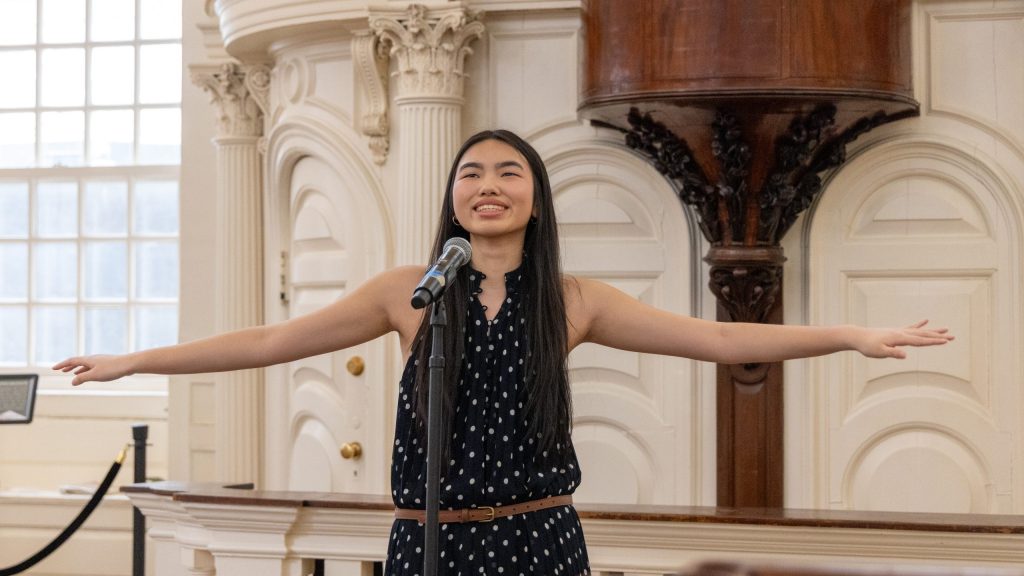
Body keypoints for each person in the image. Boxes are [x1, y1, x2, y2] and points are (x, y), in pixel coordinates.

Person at [54, 129, 953, 575]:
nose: (488, 186)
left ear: (535, 198)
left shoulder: (574, 302)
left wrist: (847, 333)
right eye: (471, 174)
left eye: (508, 173)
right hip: (427, 544)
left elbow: (716, 337)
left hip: (539, 538)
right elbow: (269, 341)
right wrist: (139, 362)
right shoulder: (411, 290)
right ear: (453, 198)